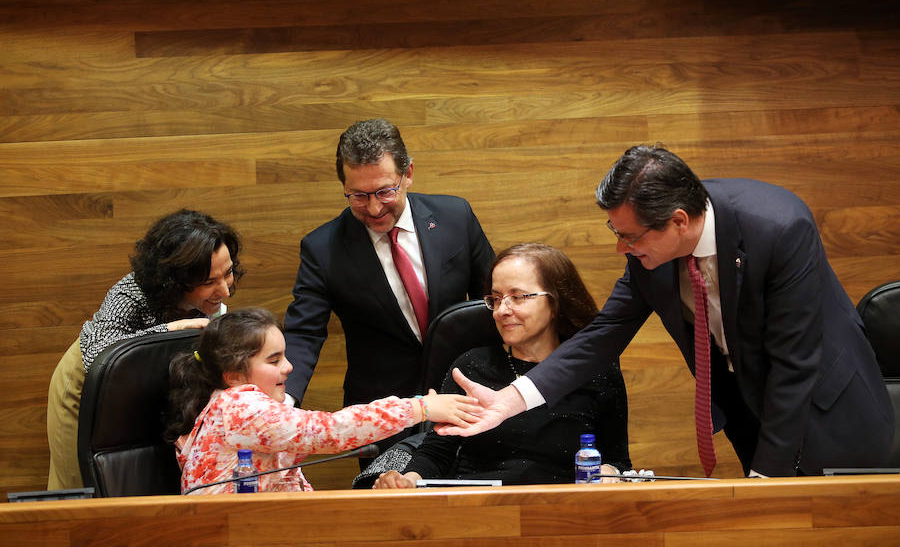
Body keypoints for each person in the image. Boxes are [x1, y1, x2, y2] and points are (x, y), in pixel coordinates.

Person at [437, 145, 894, 478]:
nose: (622, 248)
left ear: (678, 221)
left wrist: (767, 477)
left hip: (828, 402)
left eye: (630, 237)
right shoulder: (647, 259)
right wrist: (512, 399)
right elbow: (603, 335)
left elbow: (796, 362)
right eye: (614, 231)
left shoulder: (779, 227)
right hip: (752, 402)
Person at [283, 118, 495, 457]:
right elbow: (304, 333)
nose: (374, 208)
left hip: (465, 399)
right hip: (382, 415)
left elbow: (494, 302)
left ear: (408, 173)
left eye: (385, 191)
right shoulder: (322, 249)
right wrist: (282, 403)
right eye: (358, 196)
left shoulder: (456, 216)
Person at [372, 243, 631, 488]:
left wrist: (610, 471)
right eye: (496, 299)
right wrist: (408, 480)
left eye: (517, 297)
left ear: (555, 303)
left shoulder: (596, 372)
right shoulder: (470, 368)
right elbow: (437, 453)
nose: (501, 310)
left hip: (563, 511)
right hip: (478, 509)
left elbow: (618, 460)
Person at [166, 308, 482, 494]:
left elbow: (293, 487)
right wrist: (419, 408)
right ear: (233, 375)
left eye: (285, 356)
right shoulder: (239, 408)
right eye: (274, 360)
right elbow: (329, 431)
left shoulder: (249, 409)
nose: (288, 368)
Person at [46, 208, 243, 490]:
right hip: (86, 384)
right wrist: (166, 332)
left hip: (143, 384)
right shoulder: (130, 292)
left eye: (228, 273)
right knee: (80, 484)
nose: (224, 290)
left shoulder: (212, 297)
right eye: (209, 282)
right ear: (175, 280)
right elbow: (98, 352)